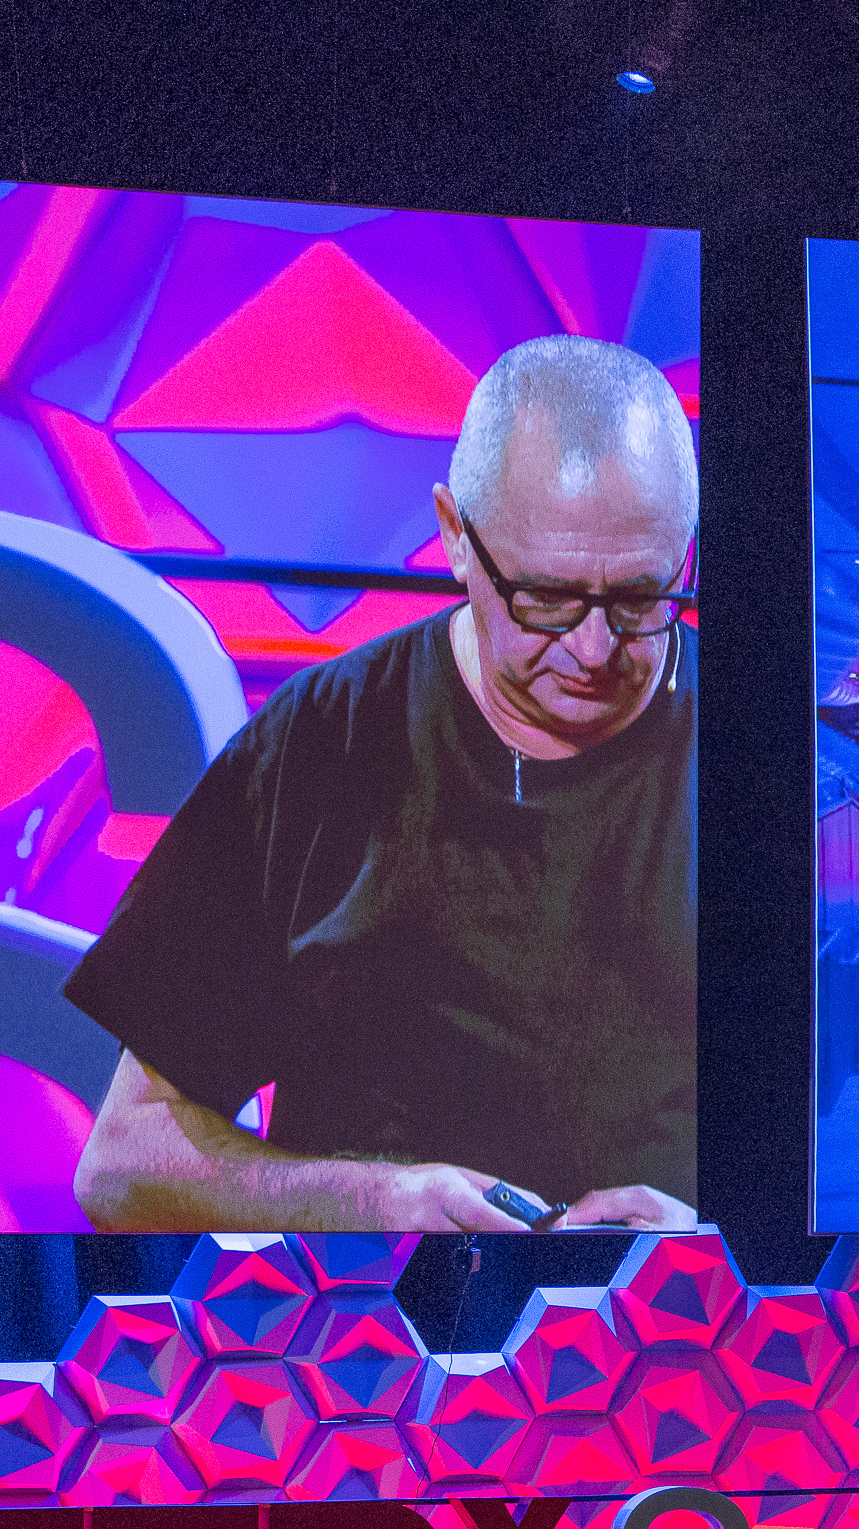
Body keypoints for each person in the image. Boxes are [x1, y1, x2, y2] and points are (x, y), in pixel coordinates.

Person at [67, 334, 700, 1232]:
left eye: (641, 598)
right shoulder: (323, 740)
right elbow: (122, 1167)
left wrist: (722, 1242)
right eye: (546, 598)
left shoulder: (769, 774)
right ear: (453, 537)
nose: (595, 651)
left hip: (690, 1357)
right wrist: (366, 1201)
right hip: (369, 1363)